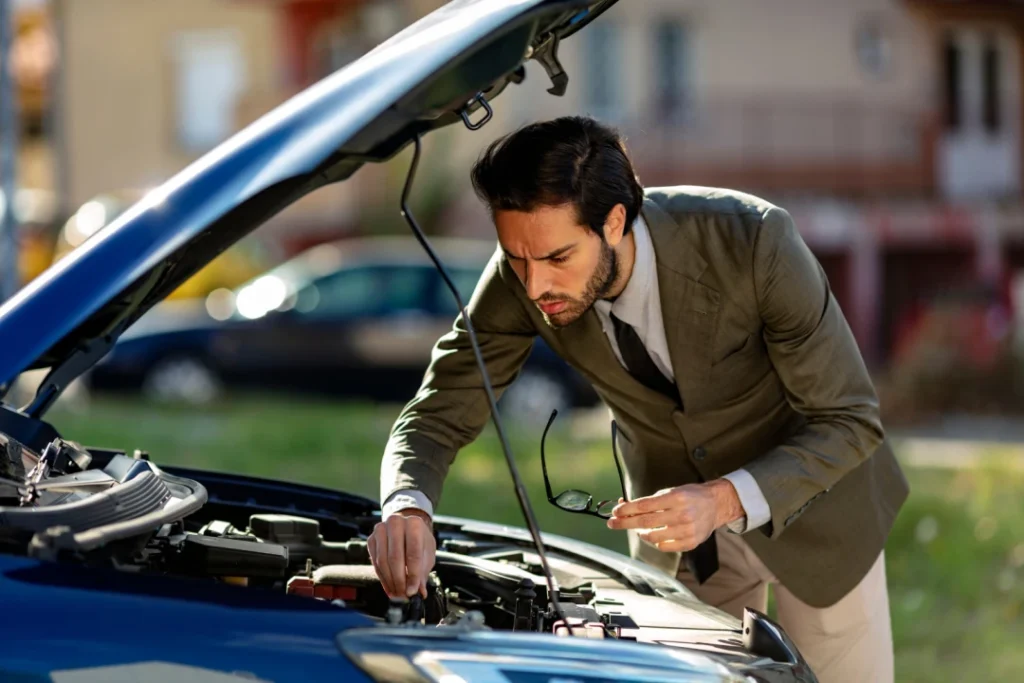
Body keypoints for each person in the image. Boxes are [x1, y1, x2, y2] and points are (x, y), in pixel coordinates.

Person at [368, 116, 909, 683]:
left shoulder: (756, 241)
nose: (533, 287)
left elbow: (850, 420)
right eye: (517, 259)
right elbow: (437, 410)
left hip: (818, 511)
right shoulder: (523, 271)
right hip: (679, 541)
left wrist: (723, 500)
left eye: (557, 259)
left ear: (614, 221)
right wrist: (407, 505)